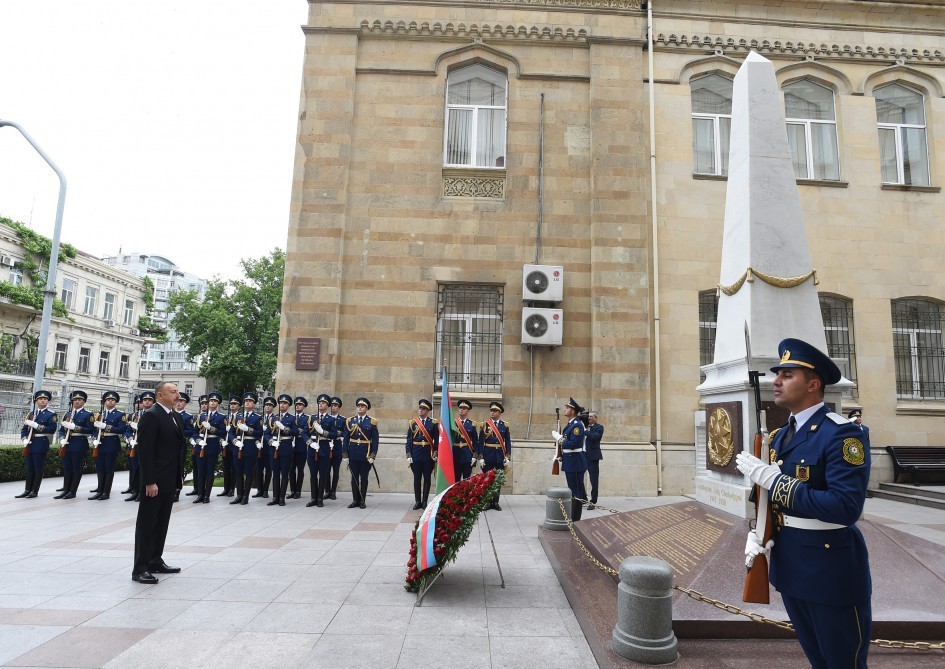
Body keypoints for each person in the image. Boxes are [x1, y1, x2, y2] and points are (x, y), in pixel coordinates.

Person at [736, 338, 871, 669]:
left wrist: (777, 482)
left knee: (843, 663)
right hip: (791, 566)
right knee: (819, 661)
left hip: (830, 569)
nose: (776, 381)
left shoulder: (842, 434)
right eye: (777, 374)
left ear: (813, 385)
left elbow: (845, 507)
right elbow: (771, 501)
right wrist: (760, 534)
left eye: (787, 375)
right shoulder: (780, 436)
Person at [131, 381, 185, 584]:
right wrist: (149, 481)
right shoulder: (151, 416)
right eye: (173, 392)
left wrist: (178, 477)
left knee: (161, 522)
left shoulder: (174, 416)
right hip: (154, 482)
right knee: (147, 523)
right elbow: (145, 452)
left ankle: (155, 560)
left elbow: (177, 449)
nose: (177, 395)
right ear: (160, 395)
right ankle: (140, 568)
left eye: (177, 391)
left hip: (169, 479)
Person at [17, 390, 58, 499]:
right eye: (40, 399)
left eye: (45, 399)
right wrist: (24, 438)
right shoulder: (31, 414)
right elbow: (24, 428)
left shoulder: (51, 414)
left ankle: (34, 491)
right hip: (29, 443)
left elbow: (52, 429)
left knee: (38, 468)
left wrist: (37, 426)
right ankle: (27, 490)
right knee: (30, 468)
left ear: (48, 401)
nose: (42, 400)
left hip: (40, 443)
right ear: (36, 401)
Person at [55, 390, 95, 500]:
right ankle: (66, 490)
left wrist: (75, 427)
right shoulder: (68, 414)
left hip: (79, 444)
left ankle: (72, 491)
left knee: (76, 468)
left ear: (84, 401)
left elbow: (90, 430)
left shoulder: (88, 414)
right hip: (67, 444)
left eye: (79, 400)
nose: (77, 401)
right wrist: (62, 438)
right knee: (67, 468)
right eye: (75, 400)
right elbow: (61, 430)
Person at [554, 397, 588, 521]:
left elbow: (573, 443)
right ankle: (573, 518)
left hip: (575, 462)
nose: (565, 409)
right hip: (570, 460)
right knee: (573, 490)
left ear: (573, 411)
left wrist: (560, 439)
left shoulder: (577, 425)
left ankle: (575, 520)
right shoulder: (570, 424)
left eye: (567, 408)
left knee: (576, 492)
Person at [89, 391, 126, 500]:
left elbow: (122, 429)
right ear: (104, 402)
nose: (110, 401)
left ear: (116, 402)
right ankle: (99, 491)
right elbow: (94, 429)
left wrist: (106, 426)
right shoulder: (100, 414)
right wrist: (93, 438)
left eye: (112, 400)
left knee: (109, 469)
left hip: (111, 443)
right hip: (99, 444)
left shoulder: (120, 414)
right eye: (108, 400)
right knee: (100, 468)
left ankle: (106, 492)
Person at [343, 397, 378, 509]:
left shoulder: (371, 422)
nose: (360, 408)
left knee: (364, 478)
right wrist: (345, 454)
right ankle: (355, 500)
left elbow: (375, 441)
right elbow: (346, 438)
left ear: (366, 408)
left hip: (365, 455)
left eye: (362, 406)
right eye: (358, 406)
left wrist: (373, 455)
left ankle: (362, 500)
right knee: (354, 478)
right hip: (353, 454)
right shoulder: (350, 421)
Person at [229, 392, 263, 505]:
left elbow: (260, 433)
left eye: (250, 401)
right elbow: (231, 432)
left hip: (250, 447)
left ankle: (245, 496)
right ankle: (239, 495)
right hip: (238, 446)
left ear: (254, 404)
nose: (247, 403)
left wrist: (248, 429)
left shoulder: (258, 418)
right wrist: (235, 441)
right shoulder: (237, 417)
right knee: (238, 472)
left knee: (248, 472)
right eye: (246, 401)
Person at [193, 392, 226, 503]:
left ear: (218, 404)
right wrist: (198, 441)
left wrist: (211, 428)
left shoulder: (221, 417)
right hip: (201, 446)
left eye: (215, 401)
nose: (212, 403)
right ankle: (200, 495)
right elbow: (195, 432)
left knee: (209, 472)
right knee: (200, 471)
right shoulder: (200, 416)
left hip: (212, 446)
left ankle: (207, 495)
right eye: (211, 401)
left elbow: (222, 432)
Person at [407, 398, 439, 510]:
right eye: (420, 408)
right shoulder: (413, 423)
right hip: (416, 454)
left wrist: (435, 453)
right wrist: (408, 455)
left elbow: (437, 441)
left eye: (423, 408)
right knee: (417, 479)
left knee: (427, 479)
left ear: (427, 411)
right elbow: (409, 440)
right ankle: (417, 501)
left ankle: (425, 501)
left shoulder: (433, 423)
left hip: (428, 455)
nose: (421, 410)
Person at [478, 401, 511, 510]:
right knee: (487, 480)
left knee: (498, 480)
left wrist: (508, 457)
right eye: (491, 410)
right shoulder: (484, 425)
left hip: (500, 456)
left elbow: (508, 442)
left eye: (495, 411)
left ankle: (495, 502)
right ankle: (487, 502)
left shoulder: (505, 425)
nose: (492, 412)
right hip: (488, 456)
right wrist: (481, 457)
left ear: (499, 413)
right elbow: (480, 442)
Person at [267, 394, 298, 506]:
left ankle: (281, 497)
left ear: (288, 405)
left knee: (285, 473)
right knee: (275, 473)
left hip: (286, 447)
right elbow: (267, 434)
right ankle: (275, 497)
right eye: (281, 403)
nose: (282, 405)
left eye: (285, 403)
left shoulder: (292, 418)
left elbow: (296, 432)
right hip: (274, 447)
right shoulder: (272, 418)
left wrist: (284, 428)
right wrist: (271, 441)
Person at [306, 393, 335, 507]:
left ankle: (320, 499)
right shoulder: (312, 418)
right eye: (319, 402)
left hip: (324, 448)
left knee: (322, 474)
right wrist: (310, 443)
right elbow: (304, 433)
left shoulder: (331, 419)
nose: (321, 404)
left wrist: (322, 432)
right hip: (312, 449)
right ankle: (313, 498)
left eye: (323, 403)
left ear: (327, 405)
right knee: (313, 474)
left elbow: (333, 434)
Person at [252, 396, 276, 498]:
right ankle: (259, 490)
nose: (268, 407)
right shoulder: (259, 418)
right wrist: (257, 441)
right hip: (259, 447)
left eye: (270, 405)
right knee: (258, 470)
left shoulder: (275, 419)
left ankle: (266, 490)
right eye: (266, 405)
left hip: (269, 447)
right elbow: (255, 433)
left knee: (268, 469)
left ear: (273, 407)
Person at [121, 394, 143, 499]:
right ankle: (133, 488)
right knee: (133, 467)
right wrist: (129, 439)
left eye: (141, 402)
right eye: (137, 403)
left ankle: (140, 490)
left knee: (140, 469)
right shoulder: (132, 416)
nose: (139, 405)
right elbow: (127, 431)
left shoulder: (149, 415)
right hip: (132, 445)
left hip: (142, 445)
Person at [218, 396, 241, 497]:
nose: (232, 405)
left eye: (235, 404)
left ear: (239, 406)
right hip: (225, 445)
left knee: (234, 468)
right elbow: (220, 431)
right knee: (226, 467)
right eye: (231, 404)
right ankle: (226, 489)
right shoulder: (225, 417)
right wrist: (221, 440)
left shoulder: (241, 418)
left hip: (235, 445)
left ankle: (232, 489)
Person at [185, 394, 207, 496]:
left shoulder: (208, 417)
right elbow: (192, 431)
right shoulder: (195, 417)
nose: (204, 405)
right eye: (202, 403)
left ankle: (203, 489)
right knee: (196, 467)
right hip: (195, 445)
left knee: (203, 468)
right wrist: (192, 439)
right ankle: (196, 488)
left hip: (204, 444)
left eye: (206, 403)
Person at [452, 399, 479, 482]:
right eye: (460, 408)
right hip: (455, 454)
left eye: (464, 408)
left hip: (467, 454)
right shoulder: (453, 423)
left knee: (467, 480)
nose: (461, 410)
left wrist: (475, 455)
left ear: (467, 411)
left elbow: (475, 441)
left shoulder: (472, 424)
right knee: (456, 480)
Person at [174, 392, 194, 502]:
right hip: (168, 445)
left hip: (180, 445)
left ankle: (177, 491)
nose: (178, 403)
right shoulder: (169, 414)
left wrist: (178, 431)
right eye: (177, 401)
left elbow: (190, 431)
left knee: (179, 469)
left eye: (181, 401)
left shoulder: (188, 417)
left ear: (185, 404)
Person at [290, 396, 311, 499]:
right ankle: (292, 490)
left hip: (301, 445)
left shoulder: (307, 418)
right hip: (290, 445)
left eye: (300, 404)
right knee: (291, 469)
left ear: (304, 406)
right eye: (296, 404)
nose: (298, 406)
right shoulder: (291, 417)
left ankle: (298, 491)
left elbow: (308, 432)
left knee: (300, 469)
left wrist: (298, 431)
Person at [584, 411, 604, 510]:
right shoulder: (583, 426)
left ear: (595, 418)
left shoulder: (599, 427)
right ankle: (582, 498)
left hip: (592, 456)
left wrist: (584, 430)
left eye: (591, 416)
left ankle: (593, 501)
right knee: (578, 477)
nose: (589, 418)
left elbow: (594, 437)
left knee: (594, 479)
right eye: (588, 416)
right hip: (582, 455)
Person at [327, 397, 346, 500]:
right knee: (326, 470)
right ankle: (327, 491)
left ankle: (333, 491)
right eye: (332, 405)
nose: (333, 407)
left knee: (336, 470)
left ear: (339, 407)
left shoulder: (343, 419)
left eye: (335, 406)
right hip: (327, 444)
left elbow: (346, 432)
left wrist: (338, 433)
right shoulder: (326, 418)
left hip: (337, 444)